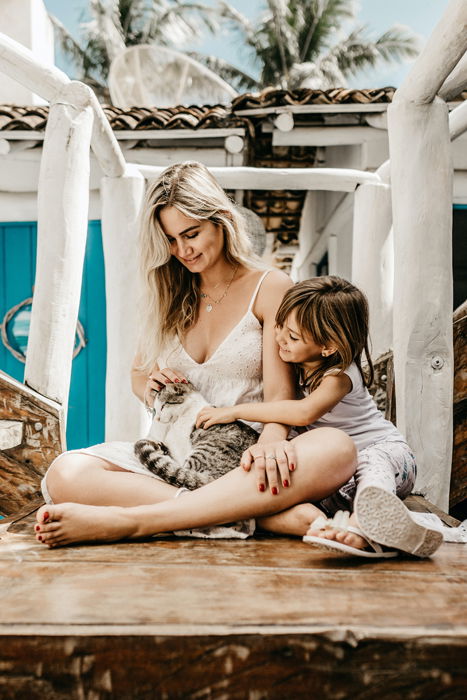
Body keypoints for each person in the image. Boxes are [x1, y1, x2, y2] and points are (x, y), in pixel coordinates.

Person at [35, 162, 356, 547]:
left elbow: (280, 397)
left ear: (220, 219)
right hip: (174, 451)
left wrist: (273, 441)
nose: (182, 250)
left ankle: (131, 521)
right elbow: (139, 377)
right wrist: (153, 388)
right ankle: (252, 517)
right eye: (170, 240)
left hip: (246, 459)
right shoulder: (165, 291)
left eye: (191, 234)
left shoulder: (270, 286)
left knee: (337, 449)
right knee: (65, 472)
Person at [196, 276, 443, 558]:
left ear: (328, 347)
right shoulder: (295, 365)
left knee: (370, 464)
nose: (279, 339)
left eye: (292, 337)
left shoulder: (339, 376)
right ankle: (364, 532)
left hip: (388, 456)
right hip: (340, 474)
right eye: (279, 327)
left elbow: (303, 413)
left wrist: (234, 410)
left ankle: (365, 522)